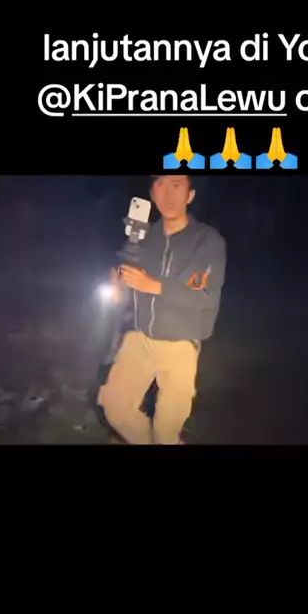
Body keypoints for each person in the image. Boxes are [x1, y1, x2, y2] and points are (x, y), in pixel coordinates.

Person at [98, 175, 227, 445]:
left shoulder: (206, 241)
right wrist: (119, 281)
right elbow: (127, 285)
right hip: (140, 337)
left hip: (181, 344)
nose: (168, 195)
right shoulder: (141, 238)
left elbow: (205, 297)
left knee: (167, 429)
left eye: (176, 186)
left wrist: (156, 286)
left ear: (190, 195)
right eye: (160, 186)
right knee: (115, 407)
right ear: (152, 194)